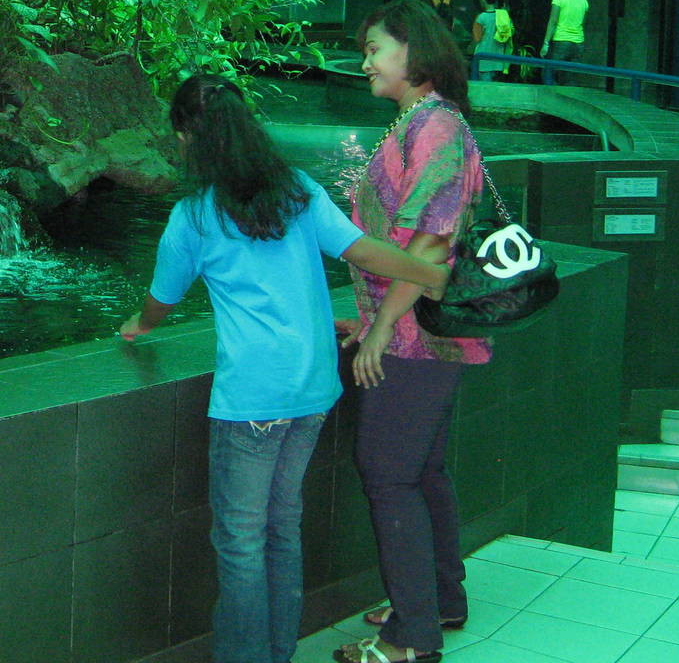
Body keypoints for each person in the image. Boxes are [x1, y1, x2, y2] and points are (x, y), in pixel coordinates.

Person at [119, 73, 449, 663]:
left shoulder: (194, 216)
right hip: (313, 389)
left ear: (189, 137)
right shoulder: (297, 190)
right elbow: (361, 250)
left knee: (240, 541)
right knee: (282, 527)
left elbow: (162, 298)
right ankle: (277, 651)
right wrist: (431, 274)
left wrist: (139, 326)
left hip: (253, 396)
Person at [335, 0, 489, 663]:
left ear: (413, 51)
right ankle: (439, 600)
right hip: (416, 330)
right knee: (422, 470)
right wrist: (368, 317)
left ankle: (410, 638)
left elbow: (430, 247)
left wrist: (380, 331)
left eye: (375, 49)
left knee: (388, 474)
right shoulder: (420, 122)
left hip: (414, 339)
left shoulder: (436, 128)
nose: (365, 62)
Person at [541, 0, 589, 85]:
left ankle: (552, 95)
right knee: (570, 78)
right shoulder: (584, 0)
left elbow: (553, 21)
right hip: (578, 44)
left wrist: (546, 43)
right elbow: (583, 23)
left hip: (561, 41)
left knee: (549, 73)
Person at [470, 0, 512, 82]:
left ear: (483, 0)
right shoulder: (503, 16)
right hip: (499, 62)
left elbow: (477, 39)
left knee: (485, 89)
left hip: (483, 63)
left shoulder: (481, 18)